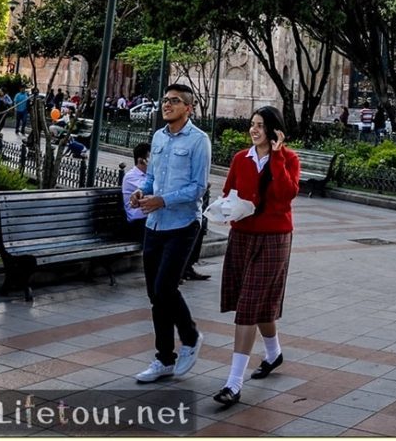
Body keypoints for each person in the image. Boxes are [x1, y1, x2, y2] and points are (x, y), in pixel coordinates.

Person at [213, 106, 300, 408]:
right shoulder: (241, 158)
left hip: (274, 237)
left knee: (250, 303)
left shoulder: (288, 159)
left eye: (261, 125)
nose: (254, 130)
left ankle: (233, 383)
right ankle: (274, 354)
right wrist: (228, 209)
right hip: (243, 234)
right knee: (257, 304)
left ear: (275, 130)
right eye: (252, 124)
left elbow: (287, 194)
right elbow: (229, 192)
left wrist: (276, 157)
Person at [129, 84, 211, 383]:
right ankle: (164, 358)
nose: (167, 105)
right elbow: (152, 178)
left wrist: (163, 200)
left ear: (188, 108)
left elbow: (198, 188)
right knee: (155, 295)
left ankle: (190, 337)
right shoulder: (158, 137)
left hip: (182, 224)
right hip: (154, 225)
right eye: (164, 100)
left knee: (165, 288)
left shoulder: (199, 141)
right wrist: (142, 192)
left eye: (174, 101)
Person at [122, 142, 151, 243]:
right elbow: (152, 190)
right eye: (151, 159)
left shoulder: (148, 175)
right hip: (137, 222)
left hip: (147, 220)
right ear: (141, 161)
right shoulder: (131, 176)